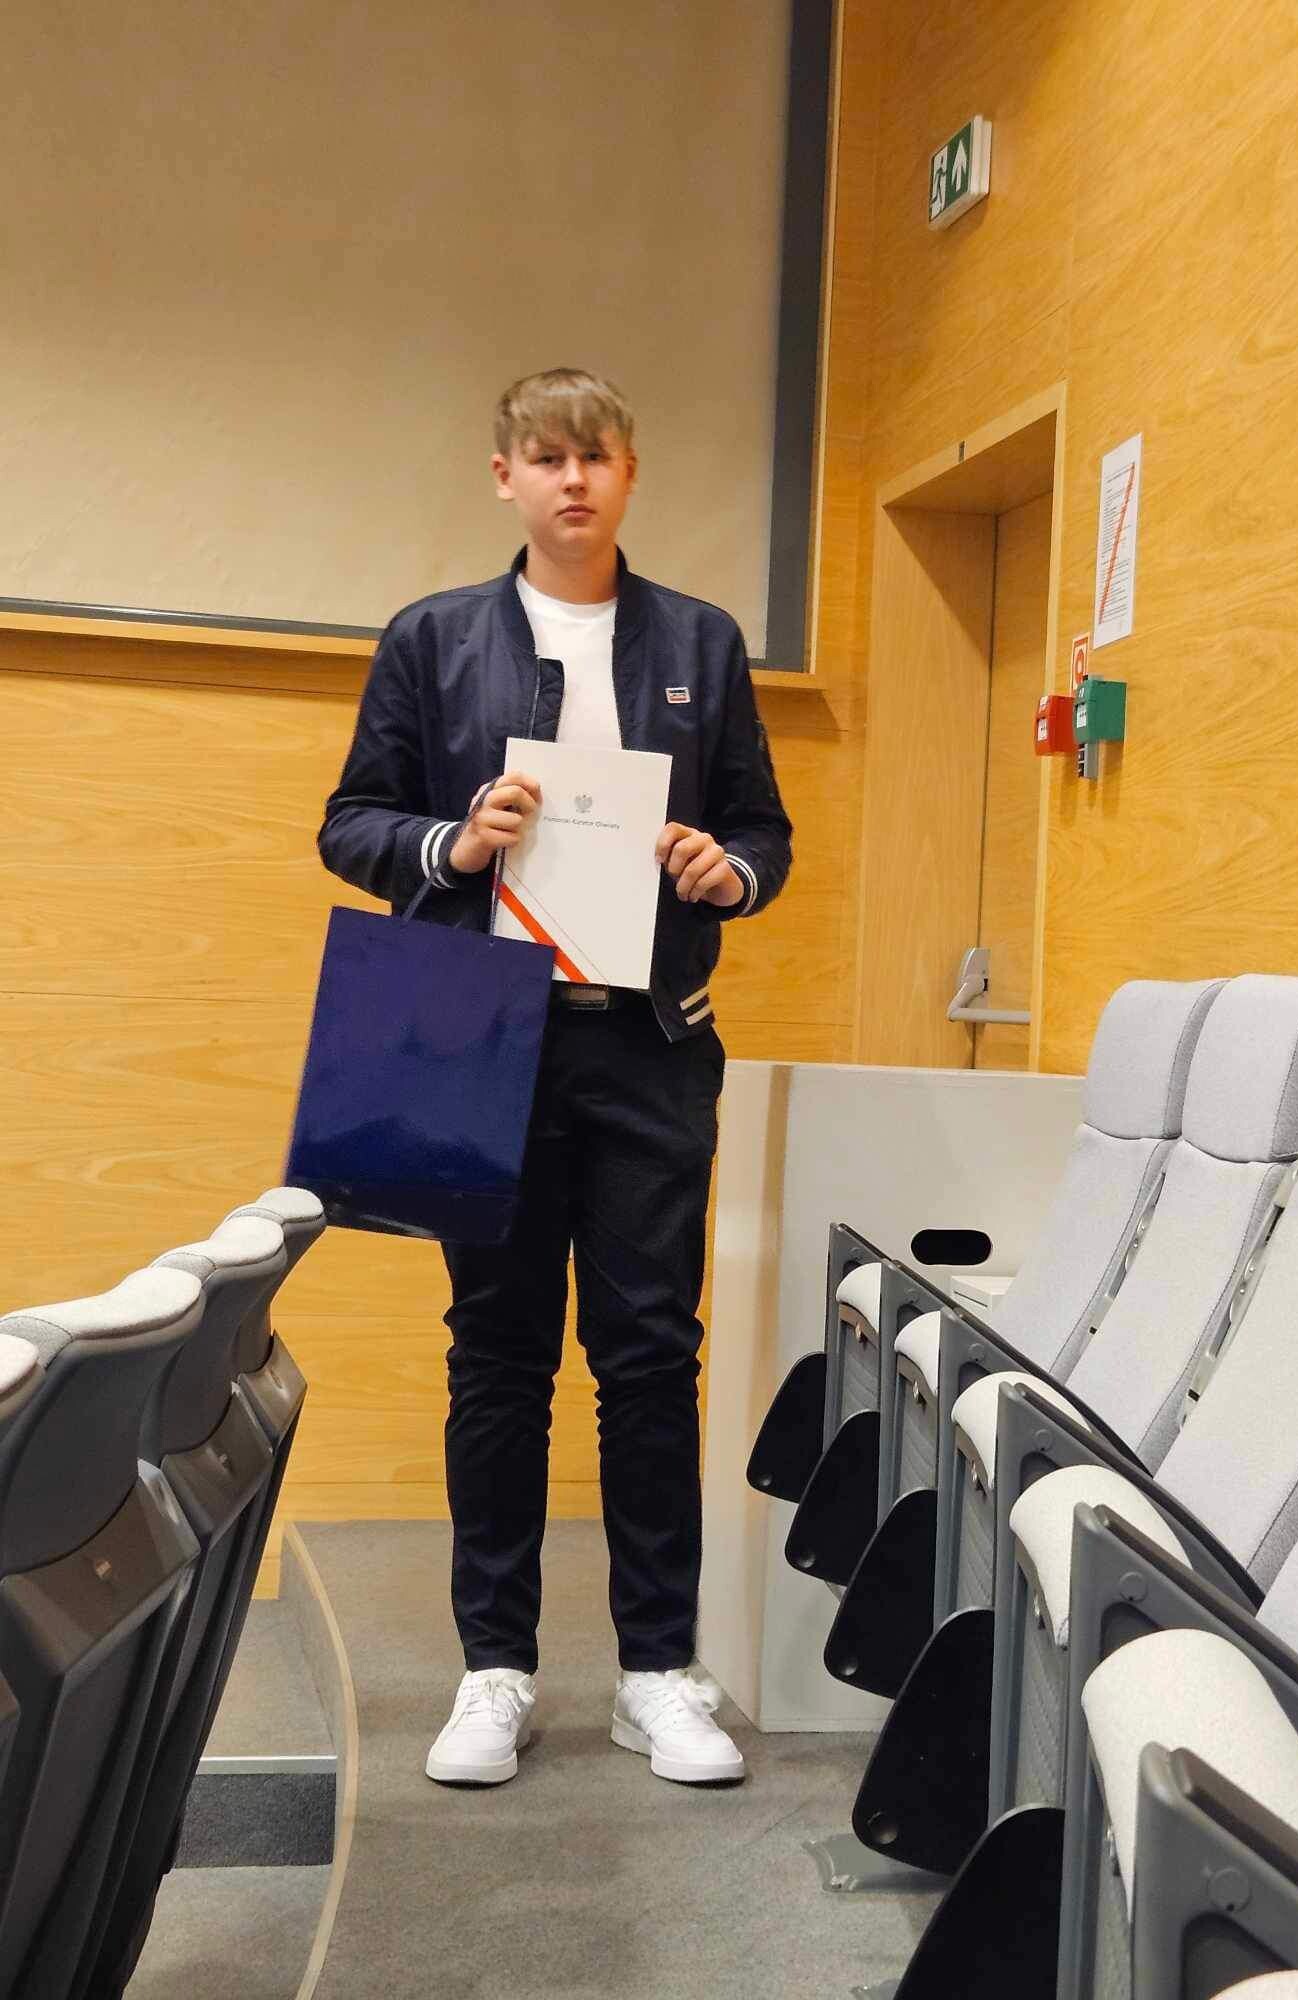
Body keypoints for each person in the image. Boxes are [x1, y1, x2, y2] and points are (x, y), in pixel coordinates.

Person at [318, 367, 792, 1787]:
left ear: (629, 473)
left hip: (650, 1045)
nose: (572, 479)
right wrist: (453, 846)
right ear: (505, 477)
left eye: (595, 456)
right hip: (482, 1037)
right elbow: (351, 823)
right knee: (499, 1356)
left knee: (651, 1357)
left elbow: (763, 833)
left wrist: (728, 871)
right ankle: (495, 1672)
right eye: (546, 456)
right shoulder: (433, 638)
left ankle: (657, 1674)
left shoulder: (702, 641)